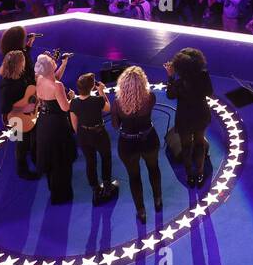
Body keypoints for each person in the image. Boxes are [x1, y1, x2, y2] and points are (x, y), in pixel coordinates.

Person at [111, 65, 163, 224]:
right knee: (154, 169)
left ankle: (141, 211)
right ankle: (158, 201)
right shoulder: (150, 98)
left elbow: (115, 125)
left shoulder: (117, 103)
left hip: (127, 144)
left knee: (134, 177)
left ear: (123, 84)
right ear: (143, 82)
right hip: (148, 140)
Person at [166, 47, 214, 187]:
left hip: (184, 118)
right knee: (199, 144)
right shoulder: (204, 75)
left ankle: (189, 176)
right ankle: (200, 174)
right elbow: (210, 92)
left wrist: (170, 76)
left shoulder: (179, 82)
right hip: (201, 115)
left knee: (186, 147)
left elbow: (170, 95)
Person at [70, 73, 120, 206]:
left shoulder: (74, 102)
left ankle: (96, 190)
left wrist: (82, 134)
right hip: (99, 134)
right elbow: (108, 109)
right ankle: (108, 186)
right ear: (92, 86)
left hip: (83, 135)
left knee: (90, 162)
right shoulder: (97, 100)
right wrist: (101, 91)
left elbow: (74, 123)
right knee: (106, 158)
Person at [34, 51, 77, 204]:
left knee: (51, 158)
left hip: (44, 122)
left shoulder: (39, 79)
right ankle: (62, 195)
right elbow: (65, 108)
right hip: (57, 124)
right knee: (61, 159)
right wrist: (73, 99)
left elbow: (54, 77)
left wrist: (64, 64)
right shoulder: (58, 86)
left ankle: (53, 188)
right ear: (50, 67)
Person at [0, 49, 39, 180]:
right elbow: (6, 110)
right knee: (21, 145)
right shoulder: (6, 86)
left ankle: (37, 161)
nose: (24, 63)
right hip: (15, 119)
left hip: (28, 115)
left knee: (32, 141)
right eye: (22, 62)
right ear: (17, 64)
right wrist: (25, 108)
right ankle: (22, 170)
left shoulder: (21, 76)